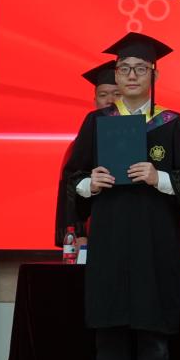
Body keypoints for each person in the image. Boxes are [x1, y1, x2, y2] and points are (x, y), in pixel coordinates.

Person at [63, 32, 180, 360]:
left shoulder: (175, 125)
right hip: (109, 239)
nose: (130, 75)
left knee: (152, 328)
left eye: (140, 69)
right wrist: (90, 182)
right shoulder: (97, 122)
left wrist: (159, 177)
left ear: (153, 76)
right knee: (109, 327)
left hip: (156, 241)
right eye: (124, 68)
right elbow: (72, 177)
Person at [53, 61, 120, 248]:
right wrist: (78, 233)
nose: (110, 100)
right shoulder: (79, 144)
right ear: (95, 100)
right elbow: (69, 189)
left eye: (117, 94)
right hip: (93, 229)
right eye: (103, 95)